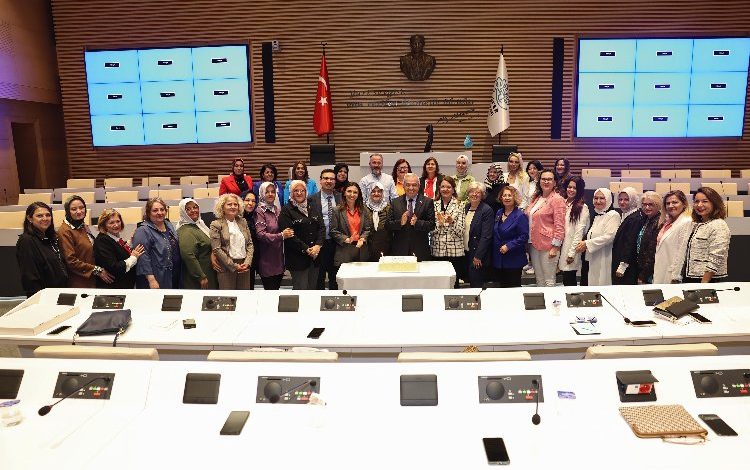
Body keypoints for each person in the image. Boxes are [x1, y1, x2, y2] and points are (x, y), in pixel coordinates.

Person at [675, 187, 731, 283]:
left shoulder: (719, 225)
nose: (699, 205)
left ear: (714, 203)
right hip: (690, 277)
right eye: (696, 201)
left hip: (705, 280)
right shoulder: (696, 224)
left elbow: (716, 257)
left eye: (705, 201)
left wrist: (704, 283)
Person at [57, 195, 114, 288]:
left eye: (81, 207)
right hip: (79, 281)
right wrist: (97, 270)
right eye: (74, 209)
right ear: (67, 211)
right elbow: (71, 261)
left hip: (92, 278)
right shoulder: (65, 231)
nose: (79, 211)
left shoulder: (83, 226)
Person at [279, 180, 324, 289]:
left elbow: (322, 228)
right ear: (291, 193)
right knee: (301, 290)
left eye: (302, 190)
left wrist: (318, 245)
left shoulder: (314, 206)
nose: (299, 193)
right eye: (296, 191)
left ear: (306, 192)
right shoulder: (286, 210)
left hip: (315, 256)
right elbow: (290, 236)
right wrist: (306, 249)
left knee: (313, 288)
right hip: (298, 258)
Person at [16, 202, 68, 297]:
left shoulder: (51, 238)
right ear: (29, 218)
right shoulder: (26, 240)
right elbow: (30, 276)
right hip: (43, 296)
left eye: (48, 215)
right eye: (39, 216)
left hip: (59, 292)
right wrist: (40, 299)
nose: (45, 218)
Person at [525, 169, 566, 287]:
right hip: (534, 243)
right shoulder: (536, 198)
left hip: (549, 245)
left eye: (549, 179)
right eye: (543, 179)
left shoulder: (557, 199)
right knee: (539, 279)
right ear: (539, 181)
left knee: (549, 280)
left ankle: (551, 300)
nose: (546, 181)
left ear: (555, 182)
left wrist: (555, 246)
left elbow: (560, 225)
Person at [132, 197, 181, 289]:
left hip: (172, 274)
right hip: (156, 277)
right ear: (148, 213)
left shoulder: (168, 225)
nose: (159, 213)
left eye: (162, 209)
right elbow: (143, 257)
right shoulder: (142, 231)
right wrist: (151, 280)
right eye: (155, 210)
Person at [386, 173, 435, 261]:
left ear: (419, 186)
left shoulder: (427, 202)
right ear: (403, 186)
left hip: (420, 251)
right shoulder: (395, 202)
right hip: (399, 251)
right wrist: (400, 222)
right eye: (408, 185)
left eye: (414, 185)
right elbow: (387, 225)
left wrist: (418, 223)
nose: (411, 188)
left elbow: (432, 225)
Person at [576, 188, 620, 286]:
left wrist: (587, 243)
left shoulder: (613, 215)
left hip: (604, 256)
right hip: (593, 256)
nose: (598, 201)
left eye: (602, 198)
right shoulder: (597, 215)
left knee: (602, 282)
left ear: (608, 199)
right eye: (596, 198)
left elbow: (609, 236)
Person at [210, 194, 254, 290]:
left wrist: (247, 262)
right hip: (226, 267)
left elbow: (250, 244)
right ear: (222, 207)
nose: (233, 207)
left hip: (244, 266)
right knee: (228, 298)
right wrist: (233, 266)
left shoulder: (243, 221)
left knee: (243, 296)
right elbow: (216, 249)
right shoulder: (216, 224)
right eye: (229, 204)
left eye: (235, 204)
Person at [93, 209, 145, 289]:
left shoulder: (114, 238)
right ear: (104, 225)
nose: (116, 225)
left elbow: (119, 251)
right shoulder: (102, 240)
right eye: (111, 223)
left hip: (124, 286)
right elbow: (114, 267)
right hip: (114, 289)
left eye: (118, 221)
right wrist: (133, 258)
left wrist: (130, 242)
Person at [255, 181, 293, 289]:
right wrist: (281, 235)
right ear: (262, 193)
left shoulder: (277, 209)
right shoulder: (259, 211)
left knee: (276, 291)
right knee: (270, 292)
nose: (270, 194)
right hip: (267, 258)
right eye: (267, 192)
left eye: (273, 192)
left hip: (279, 258)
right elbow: (261, 235)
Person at [309, 168, 342, 290]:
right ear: (320, 181)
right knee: (319, 277)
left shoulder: (341, 198)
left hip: (337, 244)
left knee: (336, 277)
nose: (329, 181)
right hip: (319, 243)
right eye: (326, 178)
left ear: (335, 181)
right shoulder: (311, 199)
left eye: (332, 179)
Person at [430, 176, 465, 286]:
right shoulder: (432, 204)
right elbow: (429, 231)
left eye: (449, 187)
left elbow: (461, 231)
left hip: (455, 252)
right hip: (437, 251)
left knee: (454, 285)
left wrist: (452, 222)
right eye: (443, 187)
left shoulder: (460, 205)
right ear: (439, 189)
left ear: (453, 189)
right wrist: (439, 224)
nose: (445, 189)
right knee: (438, 284)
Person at [177, 198, 218, 289]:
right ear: (183, 212)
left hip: (208, 272)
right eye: (188, 209)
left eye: (195, 207)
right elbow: (188, 256)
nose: (193, 210)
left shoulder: (199, 225)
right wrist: (201, 277)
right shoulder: (186, 231)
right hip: (199, 277)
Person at [492, 186, 529, 287]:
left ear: (514, 198)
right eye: (504, 195)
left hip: (513, 258)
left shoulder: (520, 215)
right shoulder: (499, 212)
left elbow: (524, 236)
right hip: (499, 258)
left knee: (513, 288)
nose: (507, 198)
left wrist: (508, 246)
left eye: (510, 195)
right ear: (501, 198)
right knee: (503, 288)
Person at [653, 190, 692, 285]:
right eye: (668, 203)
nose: (670, 206)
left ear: (684, 204)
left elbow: (682, 251)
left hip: (671, 275)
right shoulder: (668, 222)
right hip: (662, 269)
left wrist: (675, 276)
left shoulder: (686, 221)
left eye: (675, 202)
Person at [461, 182, 495, 288]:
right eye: (472, 191)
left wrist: (478, 256)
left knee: (476, 285)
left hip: (477, 255)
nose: (474, 194)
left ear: (482, 195)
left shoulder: (486, 210)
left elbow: (486, 236)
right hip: (465, 252)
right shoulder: (465, 208)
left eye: (478, 192)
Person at [558, 176, 590, 286]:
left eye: (574, 188)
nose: (571, 190)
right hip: (560, 245)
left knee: (569, 279)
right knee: (565, 279)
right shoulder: (563, 202)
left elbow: (579, 232)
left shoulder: (582, 207)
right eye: (569, 187)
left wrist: (571, 253)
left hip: (571, 248)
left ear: (579, 190)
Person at [331, 182, 372, 266]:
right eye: (349, 191)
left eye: (355, 192)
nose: (352, 194)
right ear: (344, 193)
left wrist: (362, 238)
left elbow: (367, 229)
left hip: (361, 250)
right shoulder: (337, 210)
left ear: (358, 195)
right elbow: (333, 231)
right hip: (344, 250)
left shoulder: (364, 209)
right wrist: (346, 239)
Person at [611, 187, 643, 285]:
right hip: (621, 260)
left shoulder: (635, 218)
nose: (622, 202)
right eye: (620, 199)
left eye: (626, 199)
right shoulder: (626, 214)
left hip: (627, 265)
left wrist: (622, 266)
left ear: (633, 200)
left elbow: (630, 243)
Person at [634, 191, 662, 284]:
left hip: (650, 271)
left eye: (651, 204)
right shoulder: (646, 219)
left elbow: (652, 251)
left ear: (657, 205)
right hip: (641, 266)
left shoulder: (659, 222)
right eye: (644, 204)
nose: (647, 207)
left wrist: (643, 276)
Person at [365, 182, 392, 260]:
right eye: (373, 191)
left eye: (379, 191)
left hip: (385, 246)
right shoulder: (364, 208)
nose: (376, 194)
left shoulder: (388, 207)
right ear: (369, 193)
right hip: (367, 247)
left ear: (382, 193)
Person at [240, 190, 260, 288]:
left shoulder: (256, 216)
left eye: (253, 201)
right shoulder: (236, 217)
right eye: (247, 200)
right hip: (240, 260)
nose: (250, 203)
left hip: (253, 259)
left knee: (250, 286)